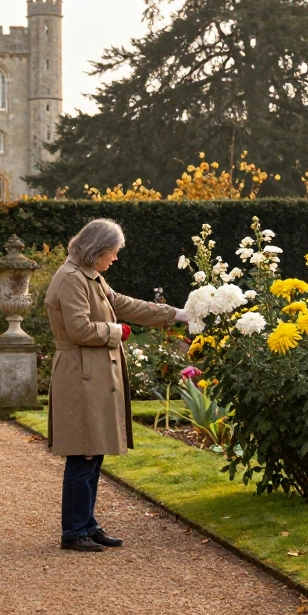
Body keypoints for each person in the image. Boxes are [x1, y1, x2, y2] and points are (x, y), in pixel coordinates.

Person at [44, 218, 187, 552]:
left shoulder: (89, 276)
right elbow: (79, 329)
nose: (116, 258)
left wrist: (176, 314)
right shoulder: (70, 279)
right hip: (80, 374)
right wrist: (116, 332)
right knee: (83, 452)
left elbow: (122, 303)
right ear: (96, 252)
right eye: (113, 252)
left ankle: (86, 524)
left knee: (93, 453)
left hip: (89, 374)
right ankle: (74, 531)